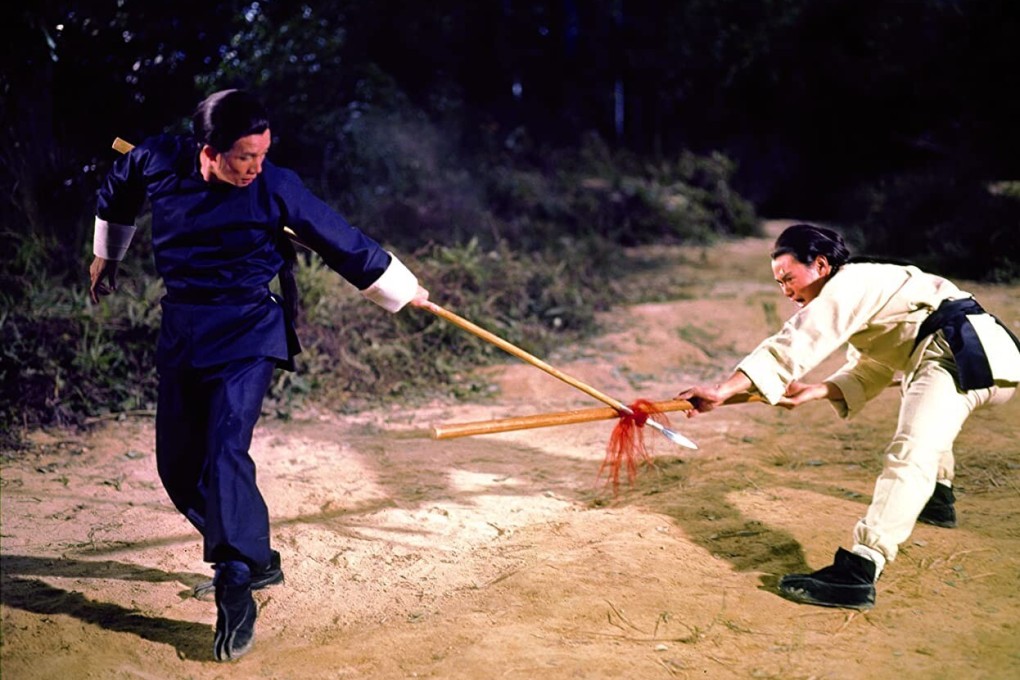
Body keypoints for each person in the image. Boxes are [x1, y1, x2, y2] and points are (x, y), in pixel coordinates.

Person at [88, 89, 430, 661]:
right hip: (183, 328)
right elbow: (118, 188)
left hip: (248, 329)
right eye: (244, 156)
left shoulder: (276, 186)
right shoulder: (157, 161)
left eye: (262, 155)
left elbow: (339, 238)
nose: (255, 167)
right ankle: (257, 556)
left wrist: (401, 287)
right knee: (177, 466)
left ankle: (236, 578)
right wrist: (109, 254)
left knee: (225, 449)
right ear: (208, 149)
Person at [677, 223, 1020, 610]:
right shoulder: (867, 286)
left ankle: (859, 570)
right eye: (779, 283)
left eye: (789, 278)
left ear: (821, 265)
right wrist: (814, 392)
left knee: (911, 450)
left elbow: (797, 339)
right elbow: (871, 366)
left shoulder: (849, 282)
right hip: (976, 356)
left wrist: (723, 390)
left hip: (957, 354)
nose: (786, 291)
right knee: (919, 394)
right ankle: (937, 498)